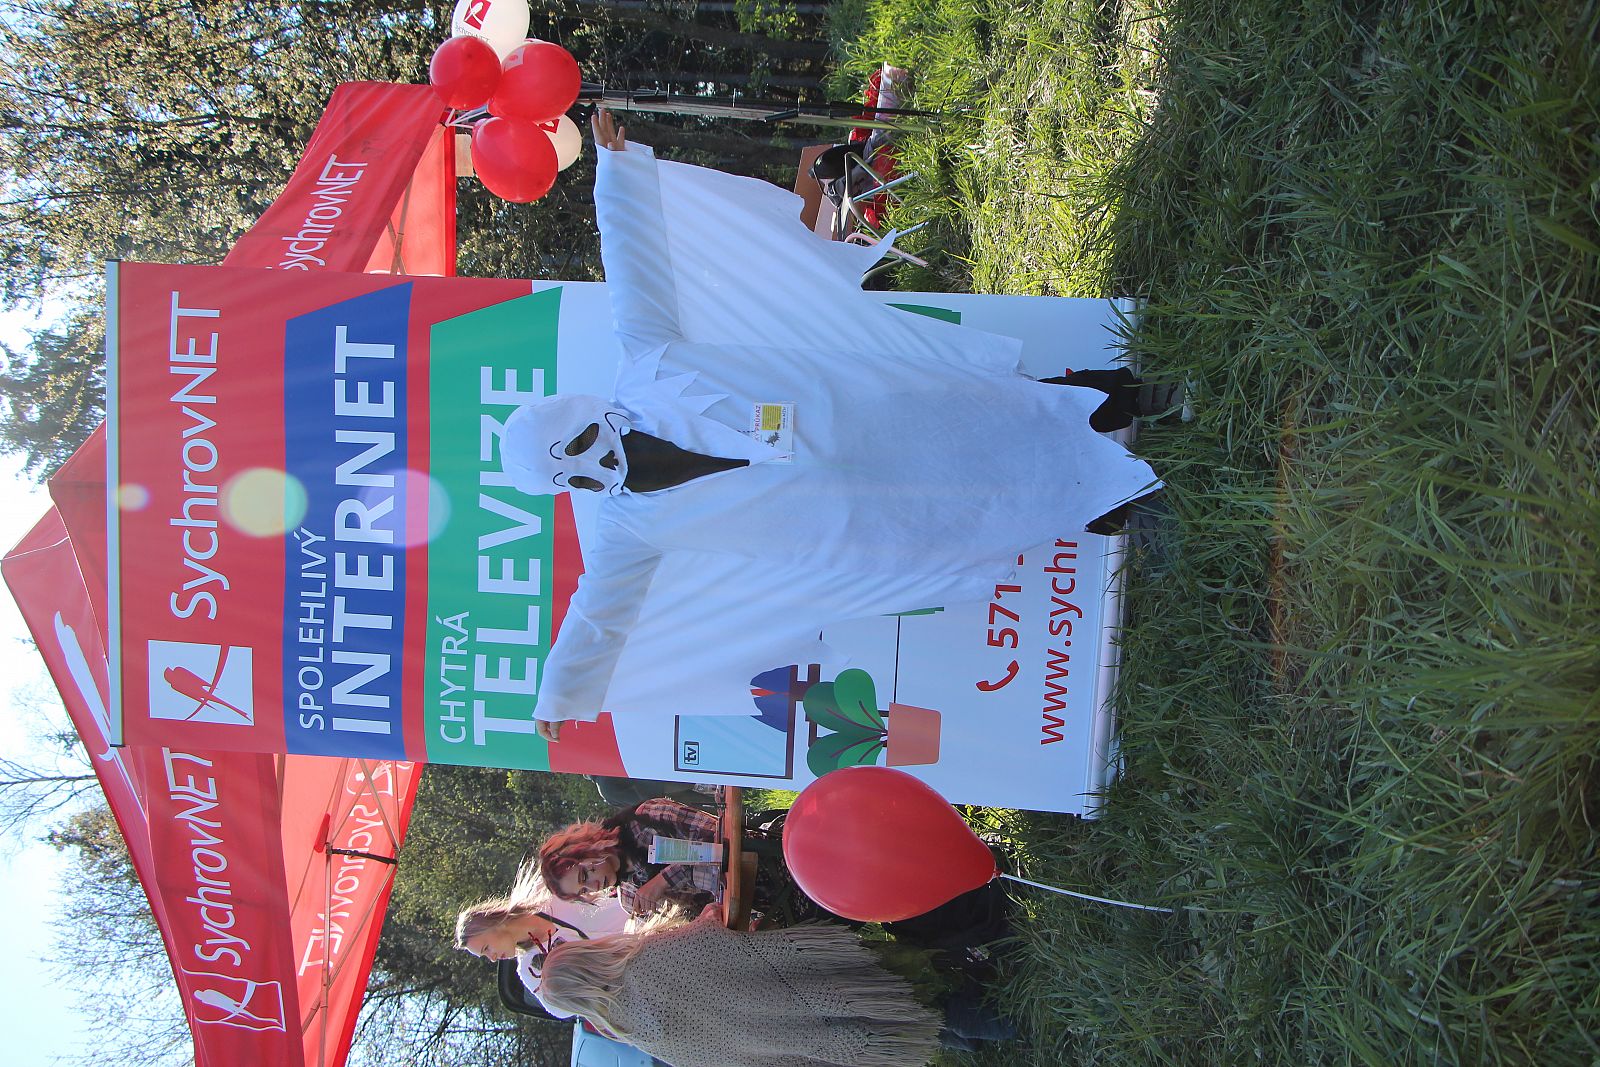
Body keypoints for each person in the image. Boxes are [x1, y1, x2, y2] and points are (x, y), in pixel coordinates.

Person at [509, 109, 1164, 742]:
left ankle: (1131, 400)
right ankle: (1119, 497)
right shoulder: (629, 527)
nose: (597, 464)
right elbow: (599, 615)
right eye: (575, 479)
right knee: (987, 511)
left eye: (580, 443)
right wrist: (560, 691)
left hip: (873, 413)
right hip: (866, 520)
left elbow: (636, 268)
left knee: (998, 413)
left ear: (584, 412)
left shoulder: (650, 364)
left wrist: (617, 174)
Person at [537, 905, 953, 1067]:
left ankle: (964, 1019)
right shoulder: (642, 963)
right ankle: (958, 965)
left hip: (789, 1040)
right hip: (793, 985)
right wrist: (706, 916)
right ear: (584, 959)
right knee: (903, 977)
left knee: (924, 1019)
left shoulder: (633, 1034)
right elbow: (707, 940)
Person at [455, 857, 631, 1018]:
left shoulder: (545, 891)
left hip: (641, 908)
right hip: (634, 968)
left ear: (493, 923)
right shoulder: (531, 970)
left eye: (486, 948)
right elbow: (562, 1010)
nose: (492, 958)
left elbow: (596, 864)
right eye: (485, 955)